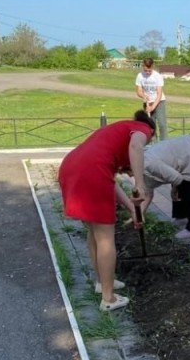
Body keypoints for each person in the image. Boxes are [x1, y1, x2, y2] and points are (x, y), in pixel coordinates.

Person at [58, 110, 156, 311]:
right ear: (151, 132)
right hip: (92, 171)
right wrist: (139, 183)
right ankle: (108, 299)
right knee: (105, 238)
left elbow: (110, 183)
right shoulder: (142, 128)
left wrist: (133, 210)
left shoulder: (115, 132)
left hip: (71, 166)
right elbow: (137, 146)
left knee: (94, 232)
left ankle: (103, 283)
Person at [141, 133, 190, 239]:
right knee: (180, 183)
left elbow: (177, 179)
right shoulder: (141, 160)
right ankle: (181, 216)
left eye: (126, 172)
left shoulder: (148, 163)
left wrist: (175, 187)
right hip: (188, 149)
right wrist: (138, 214)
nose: (129, 175)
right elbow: (147, 192)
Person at [135, 58, 167, 140]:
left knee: (162, 124)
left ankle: (164, 143)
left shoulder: (157, 76)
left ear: (152, 66)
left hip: (159, 102)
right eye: (146, 70)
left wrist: (152, 107)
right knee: (150, 125)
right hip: (148, 102)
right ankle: (153, 145)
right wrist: (143, 96)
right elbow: (139, 91)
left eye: (149, 70)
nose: (148, 72)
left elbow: (159, 94)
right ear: (143, 67)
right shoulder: (140, 76)